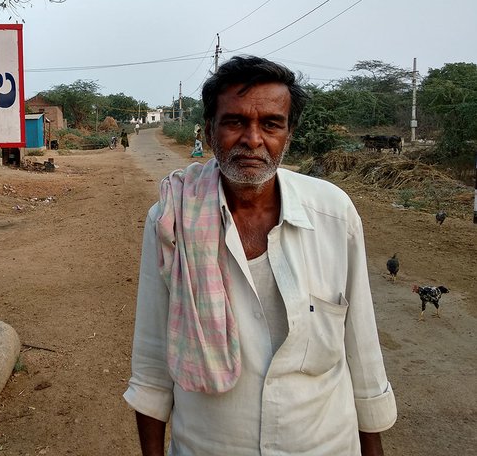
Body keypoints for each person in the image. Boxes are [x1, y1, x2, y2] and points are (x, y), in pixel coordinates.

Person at [124, 55, 396, 456]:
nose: (253, 139)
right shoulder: (172, 219)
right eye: (235, 122)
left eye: (271, 124)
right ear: (210, 131)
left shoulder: (333, 214)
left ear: (288, 134)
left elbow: (362, 349)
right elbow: (150, 364)